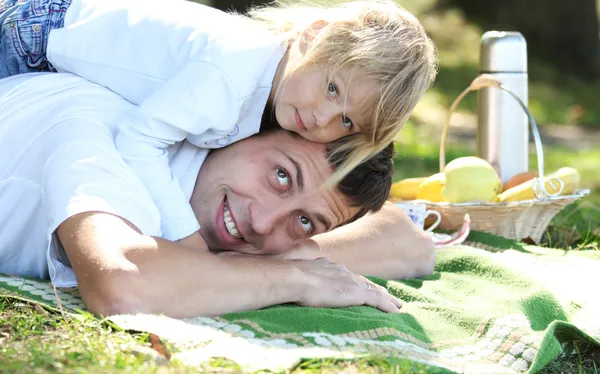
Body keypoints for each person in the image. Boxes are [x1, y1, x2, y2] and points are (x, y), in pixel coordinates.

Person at [0, 0, 438, 245]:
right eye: (332, 88)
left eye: (345, 121)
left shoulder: (267, 86)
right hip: (30, 35)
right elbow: (138, 141)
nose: (321, 119)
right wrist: (189, 243)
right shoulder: (233, 75)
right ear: (312, 36)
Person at [0, 73, 435, 318]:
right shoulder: (105, 137)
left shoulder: (210, 189)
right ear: (238, 129)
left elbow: (403, 238)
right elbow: (125, 286)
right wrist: (297, 277)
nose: (263, 224)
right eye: (282, 176)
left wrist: (268, 260)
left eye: (305, 221)